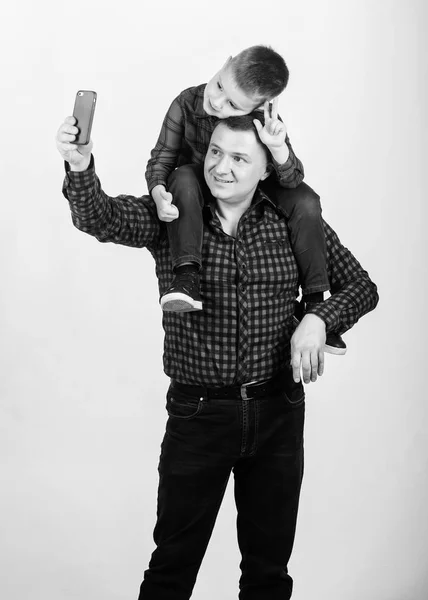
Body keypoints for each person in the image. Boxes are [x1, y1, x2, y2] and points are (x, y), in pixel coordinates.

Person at [56, 111, 379, 600]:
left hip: (278, 415)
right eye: (215, 152)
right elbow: (100, 217)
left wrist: (319, 319)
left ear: (267, 168)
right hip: (198, 416)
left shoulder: (294, 220)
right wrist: (80, 167)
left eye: (239, 158)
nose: (221, 168)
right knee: (171, 569)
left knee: (268, 575)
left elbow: (362, 287)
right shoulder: (173, 213)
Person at [146, 44, 347, 354]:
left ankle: (313, 305)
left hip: (251, 190)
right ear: (224, 64)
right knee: (183, 175)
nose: (216, 101)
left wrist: (277, 146)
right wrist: (158, 191)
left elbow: (291, 180)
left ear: (260, 106)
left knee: (306, 199)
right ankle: (187, 277)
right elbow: (162, 158)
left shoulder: (263, 121)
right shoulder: (187, 102)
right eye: (219, 85)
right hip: (198, 186)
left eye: (231, 105)